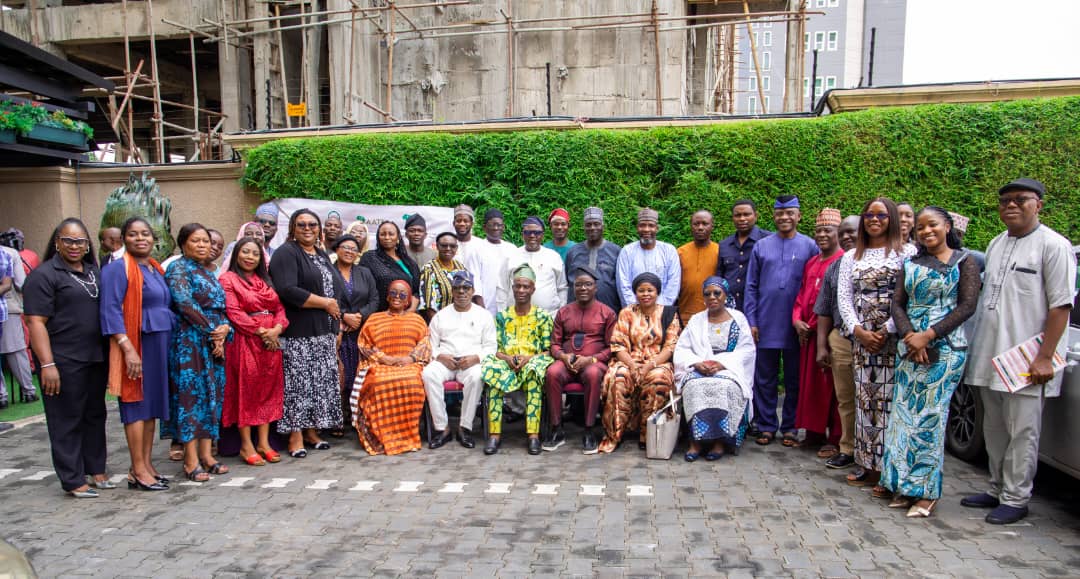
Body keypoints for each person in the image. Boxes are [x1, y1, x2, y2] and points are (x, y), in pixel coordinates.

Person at [962, 178, 1076, 525]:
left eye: (1020, 199)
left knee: (1022, 431)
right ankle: (997, 488)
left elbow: (1061, 306)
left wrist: (1044, 357)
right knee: (994, 428)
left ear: (1038, 204)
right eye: (1004, 201)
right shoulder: (997, 243)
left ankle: (1016, 498)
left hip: (1026, 359)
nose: (1011, 205)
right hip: (991, 354)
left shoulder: (1054, 246)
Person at [881, 207, 979, 518]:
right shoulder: (910, 263)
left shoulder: (964, 262)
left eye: (932, 225)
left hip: (946, 348)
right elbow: (897, 304)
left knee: (930, 419)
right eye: (920, 228)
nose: (925, 231)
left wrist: (929, 335)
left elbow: (967, 306)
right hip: (909, 347)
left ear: (947, 226)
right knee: (903, 417)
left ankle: (926, 492)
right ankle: (903, 485)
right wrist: (910, 336)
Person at [24, 218, 112, 498]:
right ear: (57, 242)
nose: (75, 246)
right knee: (66, 418)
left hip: (95, 357)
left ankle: (96, 468)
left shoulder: (93, 272)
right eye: (68, 240)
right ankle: (73, 479)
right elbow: (35, 322)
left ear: (88, 244)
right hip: (62, 359)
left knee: (94, 414)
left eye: (80, 241)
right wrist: (47, 364)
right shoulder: (44, 275)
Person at [837, 197, 916, 495]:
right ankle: (867, 465)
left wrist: (886, 330)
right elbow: (844, 297)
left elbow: (909, 295)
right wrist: (858, 331)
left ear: (892, 219)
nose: (874, 220)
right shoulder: (851, 256)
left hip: (892, 340)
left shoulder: (906, 253)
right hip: (862, 340)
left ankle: (889, 471)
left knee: (890, 406)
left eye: (881, 215)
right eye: (869, 214)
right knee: (865, 403)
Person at [99, 217, 172, 491]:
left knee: (151, 407)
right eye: (133, 234)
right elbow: (110, 310)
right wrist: (127, 348)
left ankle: (146, 464)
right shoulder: (117, 269)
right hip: (136, 346)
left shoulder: (154, 268)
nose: (140, 238)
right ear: (124, 239)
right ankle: (138, 470)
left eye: (145, 234)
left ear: (153, 239)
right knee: (136, 406)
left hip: (158, 344)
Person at [744, 195, 819, 446]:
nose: (785, 217)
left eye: (790, 213)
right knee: (764, 378)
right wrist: (751, 320)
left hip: (797, 326)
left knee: (794, 378)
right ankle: (766, 425)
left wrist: (808, 321)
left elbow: (814, 286)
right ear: (774, 217)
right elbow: (751, 286)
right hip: (765, 322)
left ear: (799, 216)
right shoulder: (761, 246)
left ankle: (790, 426)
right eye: (780, 214)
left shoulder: (810, 246)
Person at [269, 209, 345, 458]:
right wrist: (324, 303)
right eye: (301, 224)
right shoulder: (286, 252)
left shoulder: (320, 254)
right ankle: (295, 436)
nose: (307, 228)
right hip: (299, 333)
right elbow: (287, 289)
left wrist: (336, 328)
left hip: (324, 332)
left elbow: (335, 293)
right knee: (298, 386)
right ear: (292, 228)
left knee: (318, 385)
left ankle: (312, 432)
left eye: (312, 224)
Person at [163, 224, 231, 482]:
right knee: (190, 398)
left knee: (211, 396)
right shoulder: (178, 268)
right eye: (196, 240)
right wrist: (213, 332)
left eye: (206, 241)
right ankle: (191, 460)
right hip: (189, 341)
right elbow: (186, 305)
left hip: (214, 343)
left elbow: (222, 307)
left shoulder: (208, 271)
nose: (203, 245)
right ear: (183, 243)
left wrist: (225, 329)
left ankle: (207, 454)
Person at [220, 237, 288, 466]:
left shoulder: (264, 280)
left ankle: (264, 443)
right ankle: (246, 444)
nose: (250, 257)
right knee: (246, 391)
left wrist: (277, 329)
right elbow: (233, 312)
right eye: (245, 252)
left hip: (271, 343)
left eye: (255, 254)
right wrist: (262, 332)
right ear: (236, 254)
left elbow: (279, 308)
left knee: (268, 391)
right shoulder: (228, 279)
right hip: (246, 340)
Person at [674, 277, 756, 461]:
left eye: (717, 293)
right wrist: (696, 363)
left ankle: (719, 442)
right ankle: (695, 442)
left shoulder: (738, 319)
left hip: (729, 370)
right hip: (699, 369)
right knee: (693, 386)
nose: (712, 297)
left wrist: (721, 364)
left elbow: (747, 351)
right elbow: (682, 349)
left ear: (725, 295)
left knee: (724, 387)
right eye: (707, 294)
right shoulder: (696, 320)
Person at [599, 272, 682, 453]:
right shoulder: (626, 313)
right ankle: (615, 434)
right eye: (641, 290)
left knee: (658, 379)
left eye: (650, 290)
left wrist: (648, 366)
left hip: (658, 362)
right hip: (629, 360)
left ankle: (649, 434)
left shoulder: (669, 313)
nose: (645, 294)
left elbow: (670, 347)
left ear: (657, 292)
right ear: (635, 293)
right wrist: (633, 365)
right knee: (618, 376)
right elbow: (618, 345)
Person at [481, 264, 554, 455]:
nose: (521, 290)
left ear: (533, 289)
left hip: (532, 363)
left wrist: (529, 359)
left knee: (533, 374)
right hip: (506, 363)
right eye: (518, 286)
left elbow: (549, 351)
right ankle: (494, 435)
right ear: (512, 288)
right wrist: (507, 358)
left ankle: (533, 435)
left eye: (525, 286)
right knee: (493, 374)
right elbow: (493, 349)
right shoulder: (502, 317)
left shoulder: (543, 317)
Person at [542, 266, 616, 454]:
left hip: (593, 363)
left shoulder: (607, 313)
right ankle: (557, 429)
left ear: (595, 288)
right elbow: (554, 344)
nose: (583, 288)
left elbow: (612, 348)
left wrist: (591, 359)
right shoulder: (564, 312)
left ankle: (589, 430)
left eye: (588, 284)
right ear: (573, 288)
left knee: (592, 374)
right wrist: (563, 356)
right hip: (567, 362)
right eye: (578, 285)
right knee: (552, 372)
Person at [354, 279, 431, 455]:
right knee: (378, 381)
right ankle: (382, 437)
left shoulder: (417, 320)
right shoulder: (374, 319)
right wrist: (384, 358)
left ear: (408, 300)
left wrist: (410, 358)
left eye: (402, 295)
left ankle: (408, 438)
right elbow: (364, 344)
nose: (397, 297)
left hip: (409, 364)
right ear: (387, 297)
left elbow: (425, 343)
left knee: (412, 381)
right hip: (380, 364)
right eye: (393, 293)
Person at [792, 208, 845, 457]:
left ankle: (835, 438)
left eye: (828, 230)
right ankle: (813, 433)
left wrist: (811, 324)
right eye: (819, 231)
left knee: (832, 388)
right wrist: (796, 320)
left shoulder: (843, 261)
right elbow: (801, 294)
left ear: (838, 233)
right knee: (810, 386)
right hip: (806, 335)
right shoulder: (812, 262)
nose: (822, 235)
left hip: (827, 333)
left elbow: (832, 302)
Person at [422, 271, 496, 449]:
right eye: (457, 288)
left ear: (473, 291)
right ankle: (442, 429)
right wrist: (440, 356)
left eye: (466, 288)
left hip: (471, 362)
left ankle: (465, 428)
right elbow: (431, 345)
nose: (461, 292)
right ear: (452, 291)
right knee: (428, 374)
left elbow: (491, 346)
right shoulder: (441, 316)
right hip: (445, 361)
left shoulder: (484, 315)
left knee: (477, 377)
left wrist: (476, 358)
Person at [813, 215, 861, 470]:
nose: (846, 237)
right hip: (842, 338)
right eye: (842, 233)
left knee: (875, 399)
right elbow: (824, 310)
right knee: (846, 397)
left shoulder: (888, 261)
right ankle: (848, 448)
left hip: (877, 340)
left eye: (851, 231)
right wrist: (822, 346)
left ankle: (874, 453)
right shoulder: (836, 266)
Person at [331, 234, 379, 434]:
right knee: (340, 375)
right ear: (337, 249)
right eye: (345, 247)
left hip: (361, 331)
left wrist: (359, 316)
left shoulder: (364, 272)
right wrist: (344, 316)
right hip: (337, 330)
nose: (349, 251)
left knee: (358, 375)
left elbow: (374, 299)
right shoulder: (328, 271)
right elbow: (326, 297)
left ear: (358, 253)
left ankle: (356, 417)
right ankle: (337, 418)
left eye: (353, 249)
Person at [496, 217, 567, 314]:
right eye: (528, 232)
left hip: (549, 317)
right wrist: (502, 314)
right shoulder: (511, 257)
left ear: (542, 235)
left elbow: (562, 288)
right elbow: (502, 288)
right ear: (523, 234)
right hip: (515, 318)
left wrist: (560, 314)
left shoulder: (553, 257)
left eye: (537, 232)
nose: (532, 235)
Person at [616, 208, 681, 307]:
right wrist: (636, 309)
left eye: (651, 225)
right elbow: (623, 285)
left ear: (657, 228)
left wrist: (658, 309)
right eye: (642, 225)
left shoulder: (669, 251)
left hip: (662, 310)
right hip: (634, 311)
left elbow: (673, 284)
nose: (646, 229)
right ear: (637, 228)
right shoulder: (627, 252)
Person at [715, 199, 771, 310]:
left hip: (758, 306)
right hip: (730, 308)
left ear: (755, 216)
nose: (742, 219)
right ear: (733, 218)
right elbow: (720, 276)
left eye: (746, 214)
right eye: (738, 215)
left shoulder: (768, 240)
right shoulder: (725, 244)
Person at [565, 207, 622, 314]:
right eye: (588, 224)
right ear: (584, 227)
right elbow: (568, 282)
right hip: (577, 313)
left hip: (609, 312)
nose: (592, 228)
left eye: (596, 224)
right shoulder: (573, 252)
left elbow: (621, 284)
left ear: (603, 227)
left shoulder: (616, 251)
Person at [0, 242, 35, 405]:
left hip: (7, 306)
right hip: (9, 307)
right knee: (16, 350)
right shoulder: (9, 253)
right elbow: (21, 284)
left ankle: (1, 396)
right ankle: (28, 391)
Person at [361, 221, 420, 312]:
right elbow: (363, 289)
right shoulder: (370, 258)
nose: (387, 237)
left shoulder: (409, 262)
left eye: (391, 234)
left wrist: (411, 310)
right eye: (383, 234)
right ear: (378, 237)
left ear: (398, 237)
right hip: (380, 314)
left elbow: (416, 291)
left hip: (407, 315)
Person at [452, 204, 498, 315]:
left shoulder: (482, 245)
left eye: (466, 221)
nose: (462, 224)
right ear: (453, 223)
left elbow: (486, 278)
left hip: (480, 301)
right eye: (459, 221)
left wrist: (480, 303)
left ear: (472, 223)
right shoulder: (448, 245)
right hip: (454, 299)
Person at [677, 210, 719, 325]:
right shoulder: (680, 252)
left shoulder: (719, 252)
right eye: (696, 224)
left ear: (712, 226)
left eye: (705, 224)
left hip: (713, 315)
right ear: (691, 226)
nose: (700, 227)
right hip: (685, 315)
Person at [418, 232, 466, 322]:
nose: (448, 249)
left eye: (452, 246)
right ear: (437, 246)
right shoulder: (428, 269)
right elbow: (428, 304)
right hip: (439, 321)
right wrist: (439, 325)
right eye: (444, 245)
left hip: (460, 320)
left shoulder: (460, 267)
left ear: (456, 248)